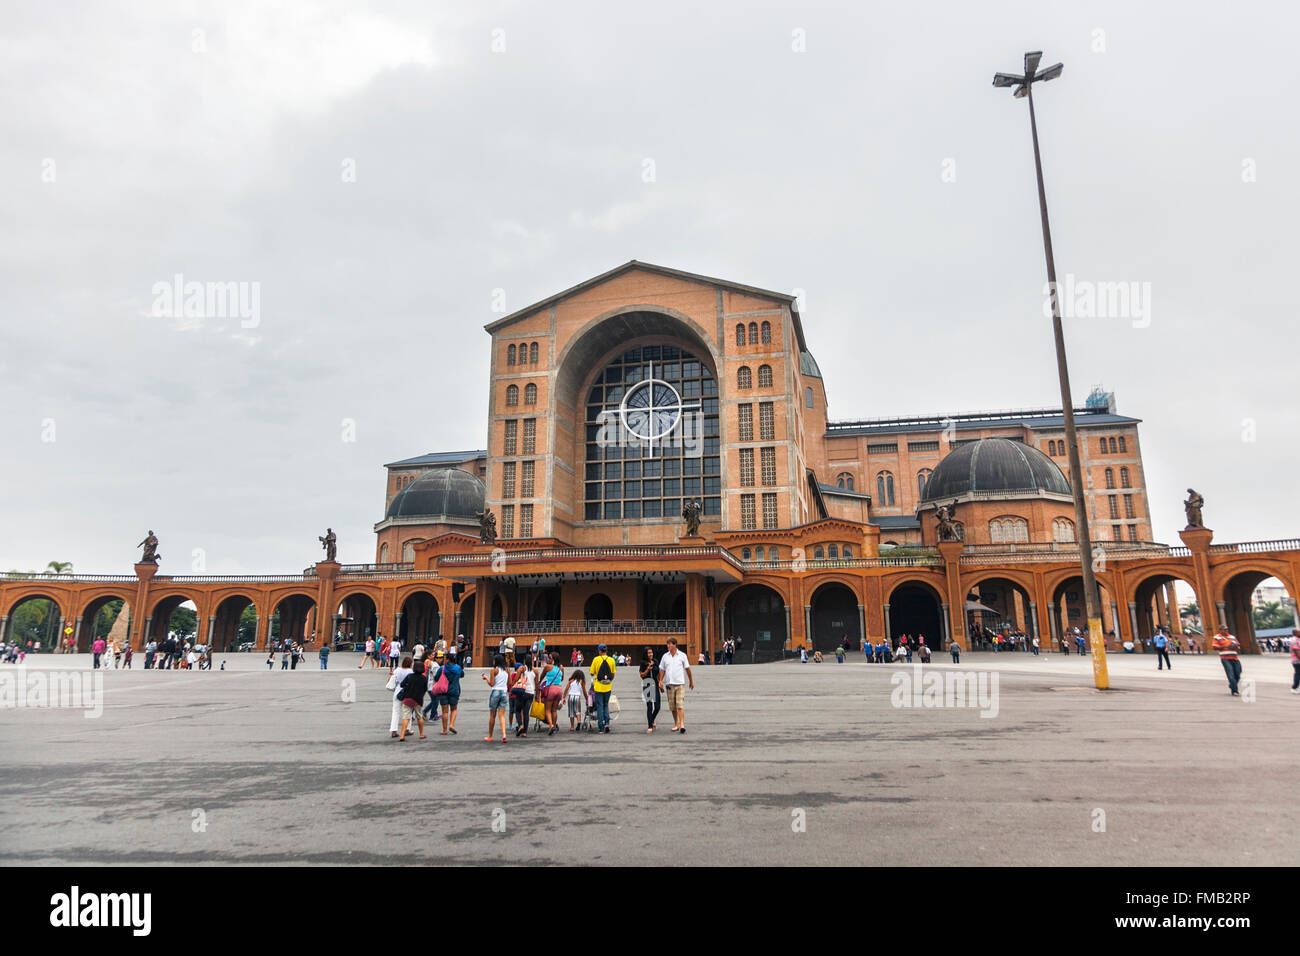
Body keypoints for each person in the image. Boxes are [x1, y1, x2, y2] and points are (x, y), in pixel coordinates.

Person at [658, 637, 694, 734]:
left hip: (680, 684)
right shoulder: (665, 656)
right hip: (669, 684)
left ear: (675, 645)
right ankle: (676, 724)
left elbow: (687, 669)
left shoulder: (682, 655)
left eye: (670, 644)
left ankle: (682, 725)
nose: (668, 646)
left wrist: (691, 681)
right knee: (672, 707)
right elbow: (662, 670)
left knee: (679, 705)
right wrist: (660, 680)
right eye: (667, 644)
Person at [397, 660, 428, 742]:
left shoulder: (409, 676)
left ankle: (402, 735)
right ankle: (421, 734)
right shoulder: (424, 678)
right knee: (419, 716)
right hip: (418, 699)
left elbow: (402, 684)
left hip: (407, 698)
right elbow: (425, 689)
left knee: (406, 717)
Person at [482, 654, 510, 742]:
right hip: (504, 692)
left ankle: (490, 736)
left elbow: (492, 684)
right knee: (501, 715)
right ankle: (504, 734)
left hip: (496, 692)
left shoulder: (494, 671)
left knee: (492, 715)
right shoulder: (507, 670)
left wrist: (486, 678)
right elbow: (509, 683)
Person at [435, 649, 464, 734]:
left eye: (445, 658)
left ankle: (444, 730)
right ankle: (451, 724)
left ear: (448, 659)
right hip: (455, 690)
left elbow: (436, 678)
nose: (444, 660)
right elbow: (462, 675)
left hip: (444, 691)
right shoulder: (458, 667)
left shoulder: (442, 668)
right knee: (454, 709)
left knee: (444, 711)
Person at [590, 643, 617, 733]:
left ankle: (601, 727)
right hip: (608, 686)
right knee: (606, 705)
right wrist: (609, 681)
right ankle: (607, 723)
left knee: (599, 706)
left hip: (598, 686)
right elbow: (613, 674)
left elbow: (592, 673)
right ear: (606, 651)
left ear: (599, 651)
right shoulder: (611, 660)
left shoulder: (596, 659)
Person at [1211, 625, 1242, 697]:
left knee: (1238, 673)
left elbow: (1238, 646)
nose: (1226, 631)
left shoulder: (1232, 637)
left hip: (1235, 657)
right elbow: (1214, 647)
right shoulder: (1217, 637)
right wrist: (1225, 646)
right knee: (1230, 674)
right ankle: (1234, 691)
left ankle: (1232, 685)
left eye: (1227, 629)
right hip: (1225, 658)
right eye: (1224, 630)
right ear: (1220, 630)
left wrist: (1236, 647)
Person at [388, 655, 414, 738]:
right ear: (410, 664)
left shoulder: (397, 670)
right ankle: (407, 729)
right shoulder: (411, 672)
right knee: (408, 711)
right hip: (407, 692)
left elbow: (390, 679)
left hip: (398, 691)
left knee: (395, 711)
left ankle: (394, 730)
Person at [640, 646, 661, 733]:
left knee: (657, 706)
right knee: (649, 706)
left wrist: (660, 682)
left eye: (651, 652)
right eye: (649, 653)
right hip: (647, 683)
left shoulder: (656, 661)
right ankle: (650, 726)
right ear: (645, 654)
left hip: (655, 684)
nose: (650, 654)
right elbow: (642, 675)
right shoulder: (643, 663)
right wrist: (647, 670)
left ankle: (652, 719)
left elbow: (659, 673)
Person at [1289, 628, 1300, 694]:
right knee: (1298, 674)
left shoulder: (1297, 639)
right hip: (1297, 661)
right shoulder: (1294, 640)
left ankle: (1296, 687)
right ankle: (1294, 688)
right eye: (1299, 632)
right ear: (1295, 633)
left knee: (1298, 674)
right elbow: (1296, 652)